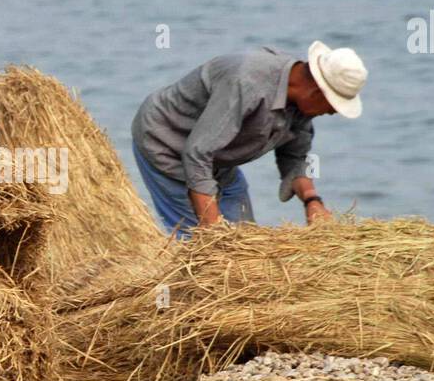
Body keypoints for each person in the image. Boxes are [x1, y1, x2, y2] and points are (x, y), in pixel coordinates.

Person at [131, 42, 368, 237]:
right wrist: (212, 234)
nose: (331, 113)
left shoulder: (301, 103)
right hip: (167, 143)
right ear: (316, 92)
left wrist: (312, 201)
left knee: (246, 241)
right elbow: (197, 154)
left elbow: (294, 157)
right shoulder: (247, 83)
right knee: (202, 249)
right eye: (331, 107)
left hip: (215, 157)